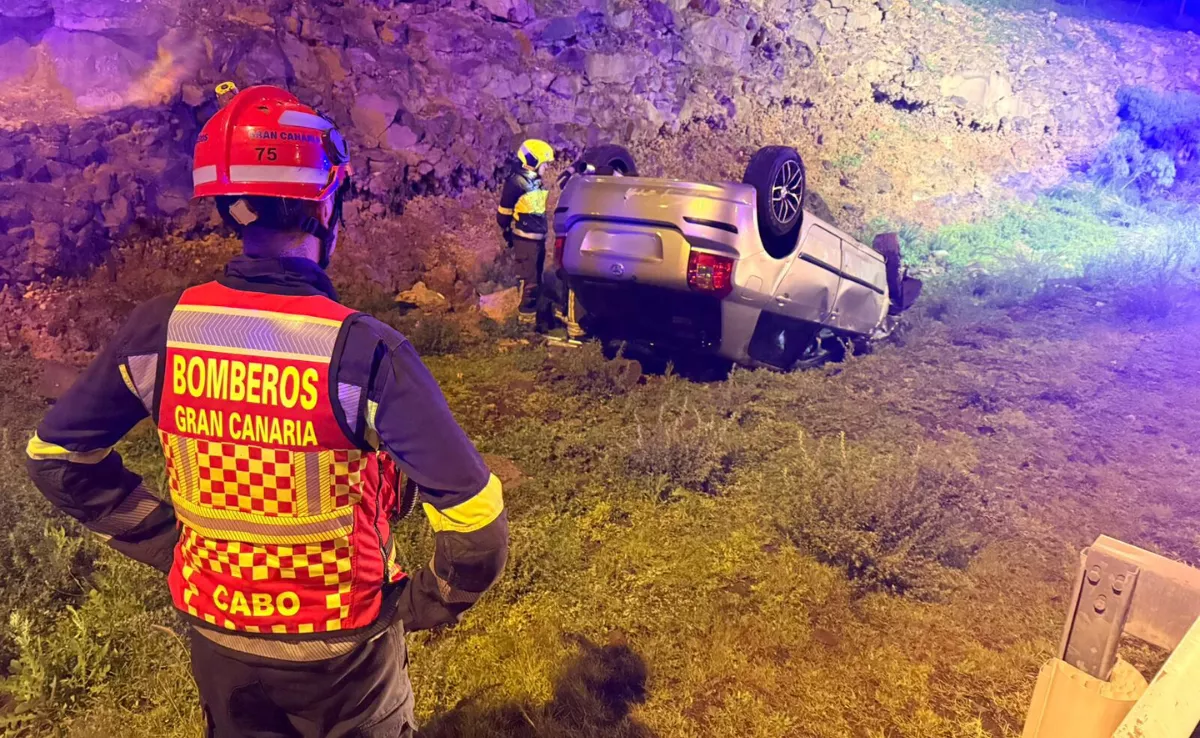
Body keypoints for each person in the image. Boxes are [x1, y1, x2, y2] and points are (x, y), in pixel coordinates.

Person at [25, 83, 509, 738]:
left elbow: (56, 459)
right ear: (326, 202)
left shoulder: (161, 330)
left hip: (219, 644)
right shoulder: (363, 351)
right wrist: (424, 603)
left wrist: (169, 544)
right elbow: (476, 525)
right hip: (345, 659)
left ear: (230, 206)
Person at [496, 139, 554, 323]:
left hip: (537, 239)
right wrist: (507, 232)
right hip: (525, 240)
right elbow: (503, 214)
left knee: (536, 280)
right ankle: (524, 324)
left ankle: (535, 319)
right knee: (529, 283)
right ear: (533, 160)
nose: (546, 167)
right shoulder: (516, 182)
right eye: (544, 163)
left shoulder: (535, 181)